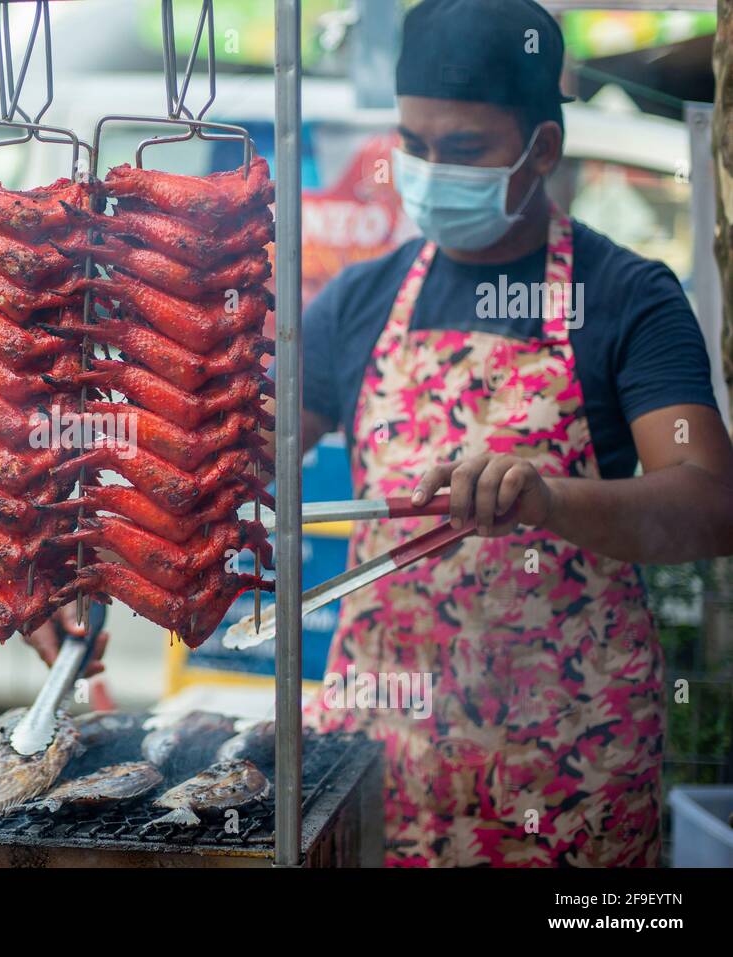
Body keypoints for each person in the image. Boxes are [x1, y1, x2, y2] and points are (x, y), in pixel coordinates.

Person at [302, 0, 733, 866]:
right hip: (382, 764)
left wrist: (548, 498)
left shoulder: (627, 298)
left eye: (463, 150)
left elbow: (711, 499)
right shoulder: (359, 301)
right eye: (414, 146)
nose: (429, 170)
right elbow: (243, 454)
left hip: (570, 779)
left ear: (543, 148)